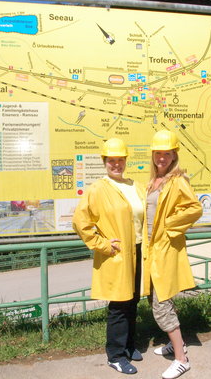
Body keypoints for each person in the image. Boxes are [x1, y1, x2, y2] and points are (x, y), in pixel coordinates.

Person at [72, 138, 145, 375]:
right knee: (119, 304)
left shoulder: (136, 185)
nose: (116, 164)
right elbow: (80, 222)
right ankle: (115, 354)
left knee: (133, 300)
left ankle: (129, 345)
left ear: (125, 160)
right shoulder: (97, 189)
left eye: (120, 159)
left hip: (139, 250)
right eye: (111, 160)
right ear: (105, 162)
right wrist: (102, 244)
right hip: (117, 254)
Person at [142, 130, 202, 379]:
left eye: (167, 153)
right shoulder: (153, 181)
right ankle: (176, 344)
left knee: (161, 304)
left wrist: (168, 225)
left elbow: (194, 208)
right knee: (153, 299)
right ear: (153, 155)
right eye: (158, 153)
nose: (162, 157)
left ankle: (181, 359)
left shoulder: (177, 180)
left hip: (164, 250)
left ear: (174, 155)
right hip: (151, 250)